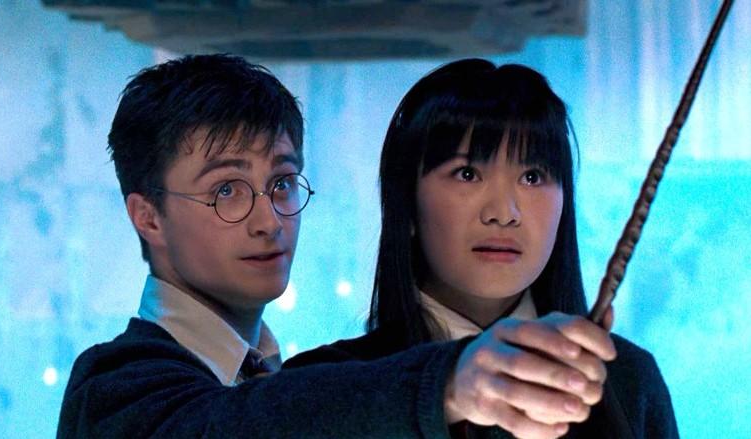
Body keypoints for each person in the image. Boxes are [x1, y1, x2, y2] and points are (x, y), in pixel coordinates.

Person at [57, 53, 605, 439]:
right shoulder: (114, 391)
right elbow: (226, 426)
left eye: (281, 184)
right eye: (226, 190)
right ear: (147, 216)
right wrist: (445, 382)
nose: (268, 221)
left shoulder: (288, 382)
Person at [286, 59, 678, 438]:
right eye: (468, 173)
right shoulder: (322, 391)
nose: (503, 214)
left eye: (532, 176)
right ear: (407, 202)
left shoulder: (628, 381)